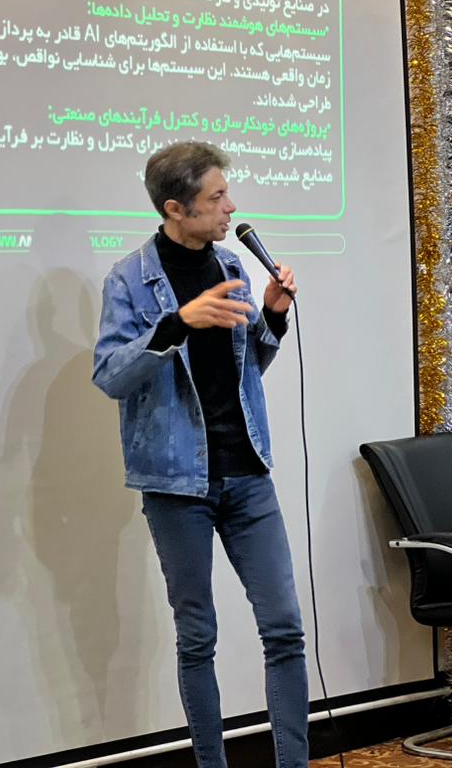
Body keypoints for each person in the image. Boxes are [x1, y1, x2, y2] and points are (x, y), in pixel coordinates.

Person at [92, 141, 308, 768]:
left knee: (285, 628)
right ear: (175, 208)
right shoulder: (129, 279)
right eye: (216, 197)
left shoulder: (230, 265)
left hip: (248, 473)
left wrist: (273, 317)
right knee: (197, 638)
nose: (230, 207)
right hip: (175, 484)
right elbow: (110, 375)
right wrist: (178, 322)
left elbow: (246, 369)